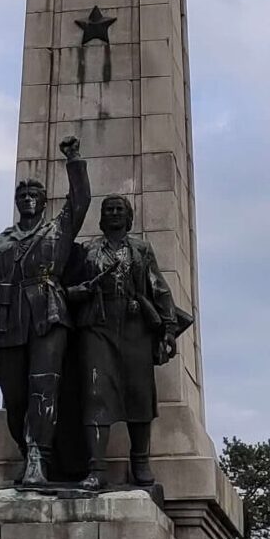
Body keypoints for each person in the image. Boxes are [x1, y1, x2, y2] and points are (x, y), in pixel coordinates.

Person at [0, 137, 90, 486]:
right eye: (23, 197)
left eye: (34, 197)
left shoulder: (57, 231)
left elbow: (80, 201)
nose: (28, 201)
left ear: (44, 204)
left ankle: (38, 459)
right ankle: (26, 447)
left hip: (48, 316)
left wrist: (73, 160)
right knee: (15, 396)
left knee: (43, 390)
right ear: (17, 204)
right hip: (8, 323)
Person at [63, 194, 193, 490]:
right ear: (102, 216)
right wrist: (78, 292)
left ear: (128, 216)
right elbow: (69, 289)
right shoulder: (88, 250)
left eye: (119, 209)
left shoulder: (141, 250)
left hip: (134, 326)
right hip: (97, 324)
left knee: (139, 393)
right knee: (96, 393)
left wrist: (169, 328)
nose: (113, 213)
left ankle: (140, 461)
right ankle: (96, 467)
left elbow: (159, 288)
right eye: (108, 210)